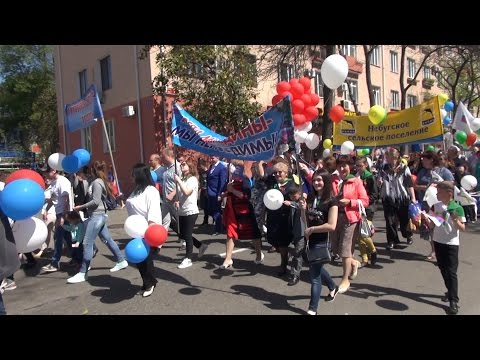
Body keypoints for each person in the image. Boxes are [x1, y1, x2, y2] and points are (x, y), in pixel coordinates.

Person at [67, 161, 128, 284]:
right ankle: (121, 260)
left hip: (97, 216)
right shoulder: (98, 181)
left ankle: (83, 273)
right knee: (107, 239)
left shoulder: (96, 183)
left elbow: (95, 201)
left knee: (87, 243)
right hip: (98, 216)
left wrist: (81, 207)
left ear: (93, 171)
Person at [420, 181, 465, 315]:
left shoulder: (457, 207)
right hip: (438, 241)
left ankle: (453, 300)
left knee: (451, 272)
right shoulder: (435, 206)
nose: (437, 194)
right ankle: (450, 291)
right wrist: (426, 219)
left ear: (449, 193)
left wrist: (455, 219)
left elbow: (462, 228)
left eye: (439, 192)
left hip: (451, 243)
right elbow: (433, 226)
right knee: (443, 269)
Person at [304, 169, 339, 315]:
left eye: (320, 180)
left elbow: (331, 225)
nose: (317, 183)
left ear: (326, 182)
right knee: (316, 267)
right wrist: (302, 209)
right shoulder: (311, 197)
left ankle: (313, 308)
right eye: (314, 180)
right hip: (309, 241)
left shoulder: (332, 201)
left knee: (315, 276)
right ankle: (333, 286)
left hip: (322, 240)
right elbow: (305, 219)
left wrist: (313, 229)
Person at [125, 163, 163, 297]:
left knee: (145, 260)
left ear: (139, 175)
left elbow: (153, 211)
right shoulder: (136, 190)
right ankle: (148, 282)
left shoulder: (151, 191)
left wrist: (151, 233)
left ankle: (149, 283)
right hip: (135, 230)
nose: (131, 177)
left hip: (147, 231)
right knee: (139, 260)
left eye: (133, 174)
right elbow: (131, 205)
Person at [220, 160, 262, 269]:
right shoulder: (233, 180)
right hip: (233, 210)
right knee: (230, 232)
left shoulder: (246, 179)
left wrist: (232, 190)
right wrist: (225, 194)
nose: (234, 168)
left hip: (246, 211)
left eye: (236, 165)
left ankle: (258, 254)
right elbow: (231, 191)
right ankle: (228, 258)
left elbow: (246, 196)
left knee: (254, 234)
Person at [174, 159, 208, 269]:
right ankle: (201, 245)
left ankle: (188, 258)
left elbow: (187, 192)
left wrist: (178, 181)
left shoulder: (192, 179)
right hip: (182, 210)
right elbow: (181, 194)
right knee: (183, 234)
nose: (182, 166)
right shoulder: (183, 179)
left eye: (184, 164)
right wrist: (178, 201)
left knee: (187, 235)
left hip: (191, 211)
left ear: (190, 167)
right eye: (181, 165)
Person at [282, 183, 305, 286]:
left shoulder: (301, 202)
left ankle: (295, 275)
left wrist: (291, 203)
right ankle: (294, 270)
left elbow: (300, 206)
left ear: (299, 193)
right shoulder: (294, 201)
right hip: (294, 231)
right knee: (295, 252)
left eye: (294, 195)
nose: (292, 197)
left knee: (297, 254)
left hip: (301, 232)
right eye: (291, 195)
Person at [206, 155, 228, 236]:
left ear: (218, 158)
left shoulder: (221, 168)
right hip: (210, 191)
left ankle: (218, 229)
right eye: (210, 158)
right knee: (209, 209)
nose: (211, 159)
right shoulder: (211, 166)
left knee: (216, 211)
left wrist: (220, 194)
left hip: (216, 192)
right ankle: (222, 222)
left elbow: (222, 182)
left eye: (212, 158)